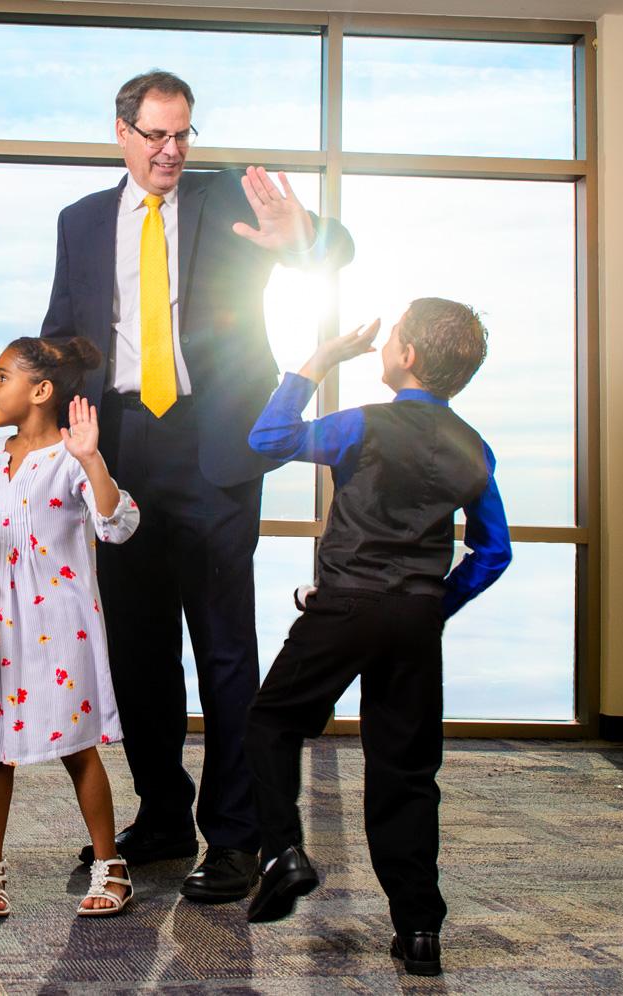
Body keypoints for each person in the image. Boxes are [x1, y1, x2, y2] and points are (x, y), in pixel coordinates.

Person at [40, 70, 355, 902]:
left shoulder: (226, 198)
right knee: (139, 649)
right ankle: (165, 814)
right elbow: (65, 332)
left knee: (222, 650)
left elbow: (336, 251)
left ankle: (238, 835)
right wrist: (39, 423)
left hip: (213, 446)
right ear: (121, 132)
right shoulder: (79, 222)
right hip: (121, 446)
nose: (172, 151)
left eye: (183, 135)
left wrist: (303, 234)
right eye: (156, 135)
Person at [239, 301, 512, 980]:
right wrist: (435, 603)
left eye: (392, 339)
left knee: (271, 722)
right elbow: (492, 552)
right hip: (416, 620)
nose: (386, 346)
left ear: (409, 356)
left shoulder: (363, 425)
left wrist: (319, 361)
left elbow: (269, 439)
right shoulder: (473, 446)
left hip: (344, 609)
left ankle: (284, 854)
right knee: (407, 773)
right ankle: (419, 928)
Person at [0, 338, 140, 918]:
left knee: (77, 747)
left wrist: (92, 458)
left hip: (60, 622)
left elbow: (116, 524)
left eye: (2, 377)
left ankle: (110, 865)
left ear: (41, 391)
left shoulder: (73, 460)